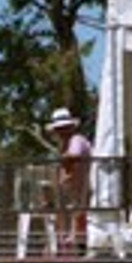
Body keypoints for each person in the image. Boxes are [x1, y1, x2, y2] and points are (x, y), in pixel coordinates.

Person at [46, 107, 92, 252]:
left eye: (65, 128)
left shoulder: (76, 140)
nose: (62, 132)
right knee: (72, 216)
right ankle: (70, 244)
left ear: (71, 127)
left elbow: (73, 156)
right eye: (59, 129)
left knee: (79, 215)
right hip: (74, 191)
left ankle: (78, 246)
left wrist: (63, 162)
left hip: (83, 188)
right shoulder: (65, 144)